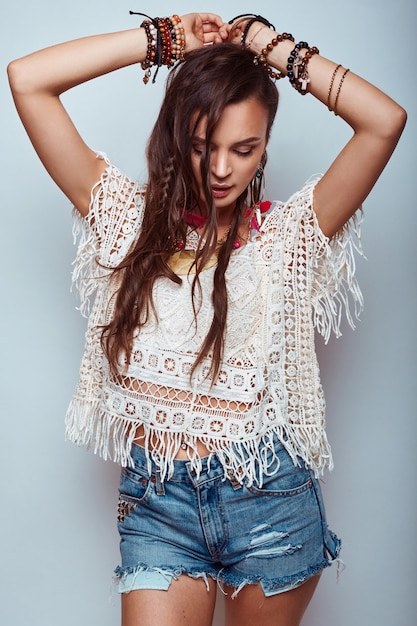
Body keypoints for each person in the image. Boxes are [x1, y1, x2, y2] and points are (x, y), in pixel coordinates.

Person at [7, 10, 406, 626]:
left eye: (243, 149)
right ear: (176, 138)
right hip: (158, 500)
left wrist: (268, 49)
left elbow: (384, 121)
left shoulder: (289, 238)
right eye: (202, 147)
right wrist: (163, 40)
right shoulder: (127, 223)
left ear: (266, 144)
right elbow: (28, 79)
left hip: (268, 500)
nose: (221, 169)